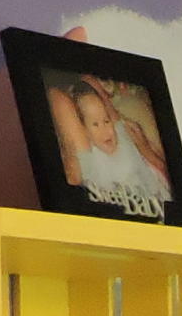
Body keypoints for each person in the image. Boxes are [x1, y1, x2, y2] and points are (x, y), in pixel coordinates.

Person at [54, 77, 171, 214]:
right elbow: (56, 97)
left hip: (155, 206)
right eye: (95, 124)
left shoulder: (121, 135)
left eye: (106, 121)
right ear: (84, 131)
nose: (105, 130)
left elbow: (90, 80)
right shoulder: (89, 158)